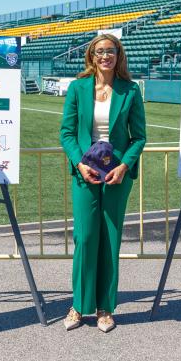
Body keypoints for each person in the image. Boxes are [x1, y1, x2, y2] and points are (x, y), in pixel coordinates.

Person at [59, 34, 146, 332]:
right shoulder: (78, 88)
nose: (105, 56)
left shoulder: (130, 91)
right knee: (84, 238)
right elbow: (67, 133)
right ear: (91, 57)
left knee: (110, 239)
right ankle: (78, 306)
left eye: (110, 51)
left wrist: (124, 166)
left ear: (118, 55)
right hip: (85, 172)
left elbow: (139, 137)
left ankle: (105, 308)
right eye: (99, 52)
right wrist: (79, 164)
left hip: (116, 174)